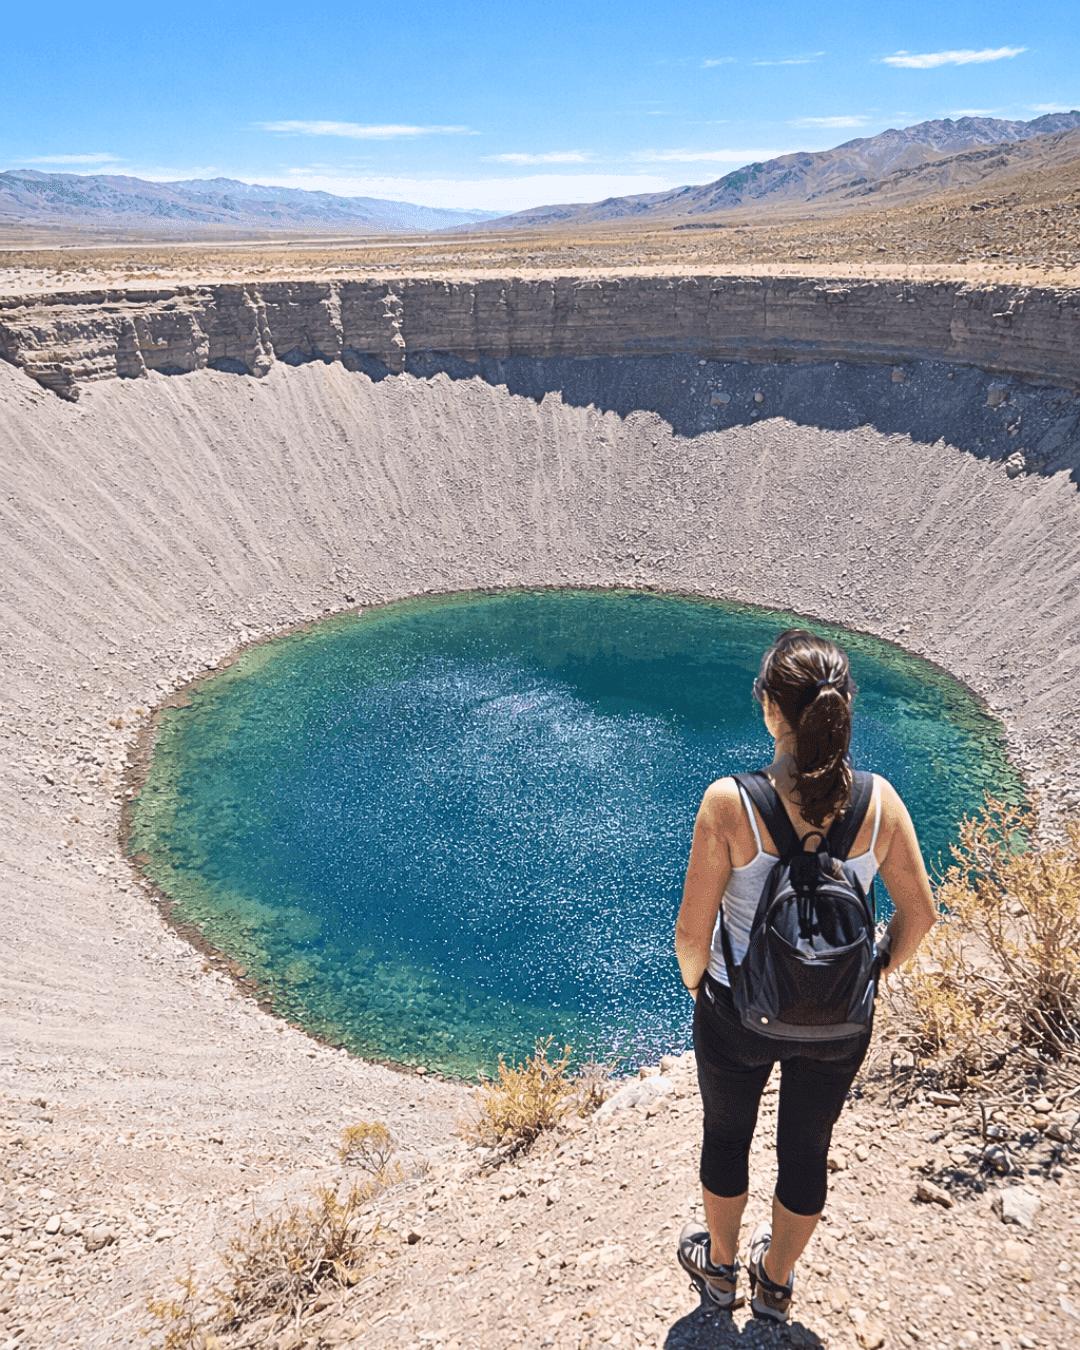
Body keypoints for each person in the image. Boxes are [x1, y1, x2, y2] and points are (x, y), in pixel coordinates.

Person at [674, 628, 936, 1323]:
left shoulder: (730, 803)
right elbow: (922, 915)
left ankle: (721, 1273)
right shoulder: (880, 804)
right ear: (842, 708)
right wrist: (875, 970)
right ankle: (777, 1282)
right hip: (841, 1021)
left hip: (737, 1013)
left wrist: (703, 989)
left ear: (770, 711)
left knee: (727, 1137)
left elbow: (690, 938)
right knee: (807, 1149)